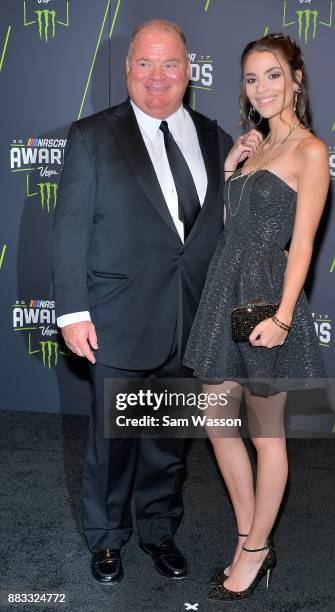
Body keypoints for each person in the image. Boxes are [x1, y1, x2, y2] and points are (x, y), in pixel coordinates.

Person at [52, 18, 250, 585]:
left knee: (169, 442)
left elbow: (216, 229)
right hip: (117, 316)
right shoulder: (93, 135)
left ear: (190, 72)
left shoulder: (215, 138)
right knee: (112, 442)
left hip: (192, 317)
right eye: (145, 63)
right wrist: (72, 311)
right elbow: (70, 230)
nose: (157, 77)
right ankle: (107, 539)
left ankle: (159, 532)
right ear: (127, 70)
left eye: (169, 64)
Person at [183, 33, 329, 601]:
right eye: (250, 78)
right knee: (219, 424)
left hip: (266, 300)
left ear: (295, 79)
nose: (262, 87)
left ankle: (251, 552)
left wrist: (286, 317)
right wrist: (229, 168)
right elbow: (235, 227)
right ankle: (253, 537)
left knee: (267, 436)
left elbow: (305, 245)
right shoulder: (255, 145)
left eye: (272, 75)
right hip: (225, 291)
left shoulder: (310, 150)